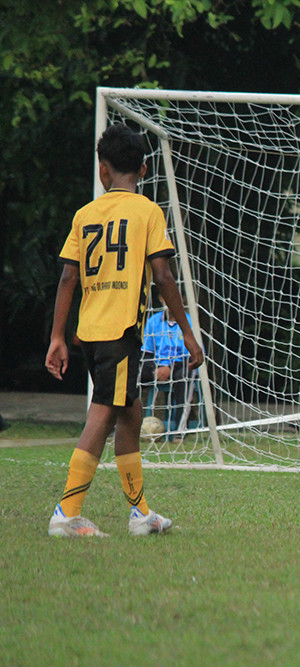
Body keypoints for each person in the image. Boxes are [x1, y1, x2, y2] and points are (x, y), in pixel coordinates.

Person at [45, 123, 204, 538]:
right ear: (146, 169)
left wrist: (57, 336)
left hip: (90, 329)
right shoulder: (148, 211)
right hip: (121, 330)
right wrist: (187, 332)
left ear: (103, 171)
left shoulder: (85, 214)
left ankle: (140, 515)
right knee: (104, 411)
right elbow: (163, 275)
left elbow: (67, 279)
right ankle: (66, 513)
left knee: (130, 414)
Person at [142, 292, 199, 436]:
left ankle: (180, 429)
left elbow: (194, 354)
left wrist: (168, 367)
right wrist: (156, 369)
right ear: (161, 299)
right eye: (166, 298)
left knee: (184, 378)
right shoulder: (153, 321)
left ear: (183, 301)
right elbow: (146, 352)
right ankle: (125, 425)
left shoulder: (190, 322)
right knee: (132, 375)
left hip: (182, 365)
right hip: (156, 366)